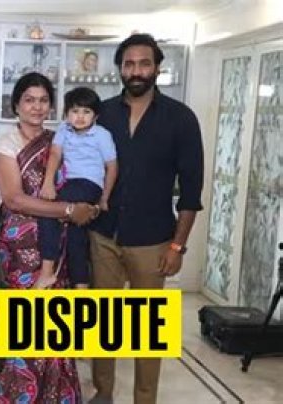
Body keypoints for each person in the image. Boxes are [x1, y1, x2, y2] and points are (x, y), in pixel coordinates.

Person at [88, 34, 203, 404]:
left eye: (144, 63)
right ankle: (103, 393)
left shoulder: (180, 118)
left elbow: (191, 190)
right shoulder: (102, 114)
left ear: (157, 68)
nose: (136, 71)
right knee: (103, 326)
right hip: (103, 236)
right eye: (129, 64)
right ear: (120, 69)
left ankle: (144, 399)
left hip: (153, 241)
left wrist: (177, 246)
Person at [0, 72, 98, 403]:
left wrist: (87, 206)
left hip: (59, 243)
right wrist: (69, 210)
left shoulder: (61, 140)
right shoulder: (6, 145)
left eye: (43, 100)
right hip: (22, 246)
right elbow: (14, 199)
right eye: (29, 100)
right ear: (16, 105)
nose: (36, 107)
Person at [37, 87, 118, 289]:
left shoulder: (102, 135)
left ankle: (46, 272)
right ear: (66, 114)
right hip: (70, 184)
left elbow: (112, 167)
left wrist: (104, 198)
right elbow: (55, 154)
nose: (80, 117)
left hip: (89, 185)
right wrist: (48, 183)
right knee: (76, 236)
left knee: (48, 212)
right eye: (75, 111)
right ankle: (81, 286)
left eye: (86, 112)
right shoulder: (64, 129)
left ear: (95, 116)